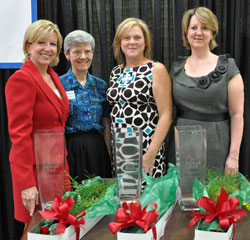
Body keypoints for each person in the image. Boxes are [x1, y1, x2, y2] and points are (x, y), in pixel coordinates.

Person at [5, 20, 70, 224]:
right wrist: (26, 184)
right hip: (34, 172)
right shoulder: (22, 79)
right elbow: (19, 136)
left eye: (53, 44)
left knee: (59, 228)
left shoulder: (53, 77)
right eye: (41, 42)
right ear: (28, 46)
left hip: (58, 168)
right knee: (36, 229)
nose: (48, 49)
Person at [170, 7, 244, 175]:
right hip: (182, 146)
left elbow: (237, 114)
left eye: (205, 28)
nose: (198, 32)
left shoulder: (228, 67)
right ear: (186, 32)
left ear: (212, 32)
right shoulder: (176, 68)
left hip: (217, 146)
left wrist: (234, 156)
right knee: (184, 199)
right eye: (194, 27)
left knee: (214, 198)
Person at [107, 18, 173, 180]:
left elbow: (166, 115)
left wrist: (150, 154)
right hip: (121, 152)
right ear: (119, 43)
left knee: (148, 202)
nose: (132, 42)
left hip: (146, 150)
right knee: (125, 201)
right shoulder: (116, 72)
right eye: (126, 38)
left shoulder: (156, 69)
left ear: (145, 42)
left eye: (137, 37)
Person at [60, 30, 112, 183]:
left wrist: (107, 151)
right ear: (67, 55)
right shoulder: (58, 84)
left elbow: (106, 123)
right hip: (70, 147)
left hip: (97, 147)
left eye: (87, 52)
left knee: (99, 196)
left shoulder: (100, 85)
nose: (83, 57)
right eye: (77, 52)